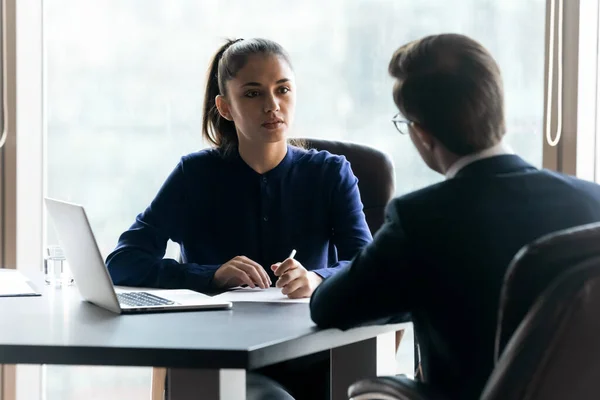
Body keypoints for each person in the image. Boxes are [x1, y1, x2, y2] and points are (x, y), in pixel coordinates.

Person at [309, 33, 600, 400]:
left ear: (422, 134)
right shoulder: (593, 201)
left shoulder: (420, 218)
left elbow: (329, 306)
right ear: (498, 109)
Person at [106, 38, 372, 399]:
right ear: (225, 107)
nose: (273, 105)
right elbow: (123, 262)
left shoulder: (330, 174)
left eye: (283, 90)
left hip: (311, 353)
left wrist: (316, 278)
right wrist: (210, 274)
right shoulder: (194, 175)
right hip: (218, 358)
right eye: (252, 94)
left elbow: (367, 265)